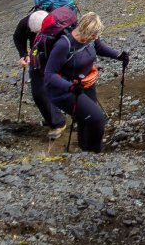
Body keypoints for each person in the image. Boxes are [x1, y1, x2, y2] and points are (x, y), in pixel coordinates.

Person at [41, 12, 131, 154]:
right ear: (84, 30)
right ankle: (95, 152)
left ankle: (84, 149)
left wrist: (119, 55)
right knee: (97, 118)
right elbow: (49, 75)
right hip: (65, 90)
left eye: (96, 35)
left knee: (85, 118)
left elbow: (99, 47)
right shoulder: (64, 44)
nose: (95, 38)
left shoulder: (91, 37)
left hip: (85, 83)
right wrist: (70, 87)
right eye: (93, 35)